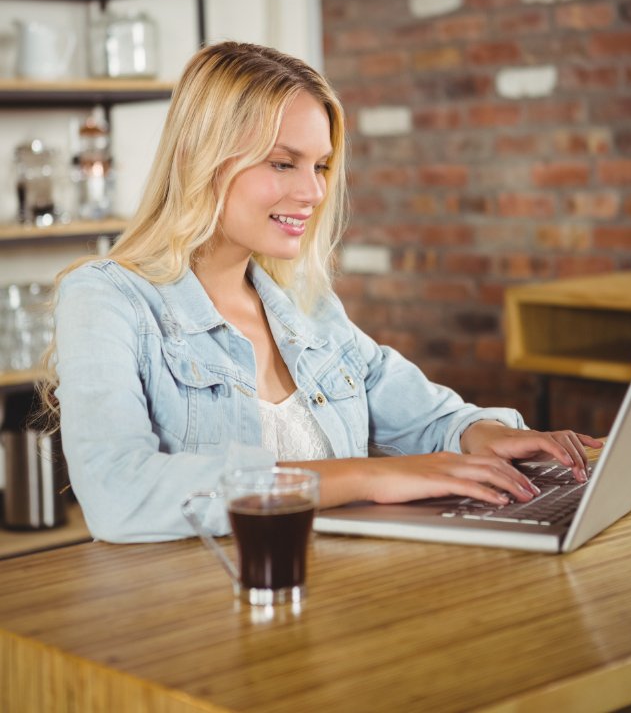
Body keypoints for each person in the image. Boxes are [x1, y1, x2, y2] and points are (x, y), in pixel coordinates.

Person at [43, 41, 602, 543]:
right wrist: (366, 475)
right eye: (284, 163)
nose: (312, 191)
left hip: (330, 606)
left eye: (322, 166)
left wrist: (480, 433)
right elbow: (118, 494)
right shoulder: (106, 298)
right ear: (200, 158)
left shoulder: (305, 306)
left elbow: (422, 416)